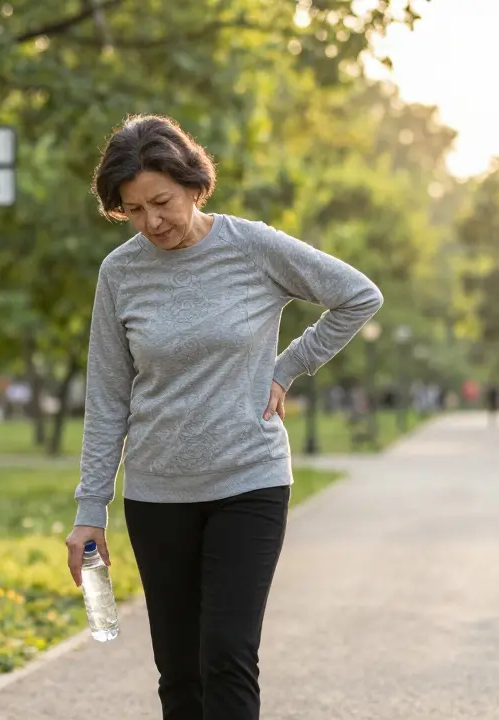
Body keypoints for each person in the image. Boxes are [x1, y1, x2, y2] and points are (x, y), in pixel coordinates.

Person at [65, 114, 383, 720]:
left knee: (228, 656)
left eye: (161, 201)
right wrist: (89, 512)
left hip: (249, 482)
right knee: (179, 670)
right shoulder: (120, 274)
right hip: (158, 496)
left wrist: (287, 367)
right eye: (133, 210)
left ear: (193, 184)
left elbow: (358, 295)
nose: (152, 221)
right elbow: (107, 397)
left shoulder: (252, 247)